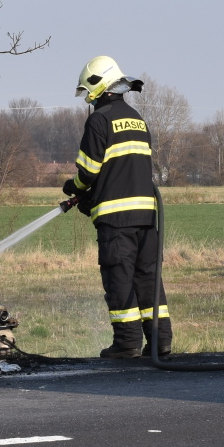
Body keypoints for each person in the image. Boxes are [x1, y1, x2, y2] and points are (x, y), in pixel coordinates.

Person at [62, 55, 172, 359]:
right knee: (148, 278)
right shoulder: (137, 118)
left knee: (119, 277)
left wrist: (74, 189)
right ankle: (160, 341)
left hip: (117, 219)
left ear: (98, 86)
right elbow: (123, 168)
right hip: (147, 217)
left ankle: (127, 343)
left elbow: (89, 172)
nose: (88, 99)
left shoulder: (100, 119)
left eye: (88, 92)